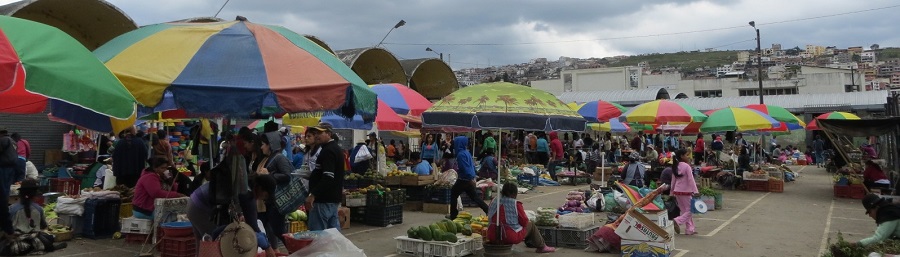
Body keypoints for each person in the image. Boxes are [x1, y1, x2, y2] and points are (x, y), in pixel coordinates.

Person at [486, 182, 556, 253]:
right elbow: (524, 222)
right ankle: (542, 247)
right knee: (530, 225)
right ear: (514, 193)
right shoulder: (515, 204)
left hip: (492, 235)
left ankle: (532, 242)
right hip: (508, 236)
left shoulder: (494, 201)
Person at [5, 179, 67, 255]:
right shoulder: (38, 209)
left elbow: (6, 226)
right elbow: (43, 226)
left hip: (16, 242)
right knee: (49, 238)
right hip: (35, 240)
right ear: (35, 195)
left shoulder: (12, 208)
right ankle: (39, 247)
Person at [254, 131, 294, 247]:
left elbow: (287, 175)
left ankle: (294, 249)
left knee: (278, 230)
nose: (261, 147)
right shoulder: (269, 158)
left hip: (276, 202)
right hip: (268, 201)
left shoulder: (279, 157)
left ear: (270, 144)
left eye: (263, 144)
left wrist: (269, 175)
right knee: (265, 228)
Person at [306, 123, 345, 231]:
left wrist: (313, 195)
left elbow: (328, 177)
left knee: (318, 237)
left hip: (323, 201)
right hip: (331, 200)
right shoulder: (332, 148)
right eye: (315, 133)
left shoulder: (328, 151)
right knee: (332, 237)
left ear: (328, 134)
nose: (317, 135)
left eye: (319, 133)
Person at [446, 136, 490, 220]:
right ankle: (487, 210)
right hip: (469, 178)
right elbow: (472, 165)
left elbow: (464, 167)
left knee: (453, 194)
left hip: (464, 179)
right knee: (475, 197)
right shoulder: (467, 152)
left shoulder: (460, 155)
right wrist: (473, 177)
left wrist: (469, 178)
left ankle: (453, 215)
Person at [670, 149, 698, 235]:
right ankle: (678, 220)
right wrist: (695, 190)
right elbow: (691, 179)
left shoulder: (676, 166)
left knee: (685, 211)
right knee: (690, 210)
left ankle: (689, 229)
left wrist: (671, 192)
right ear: (682, 156)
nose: (688, 157)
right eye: (686, 155)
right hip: (686, 191)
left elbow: (673, 181)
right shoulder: (686, 166)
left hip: (677, 191)